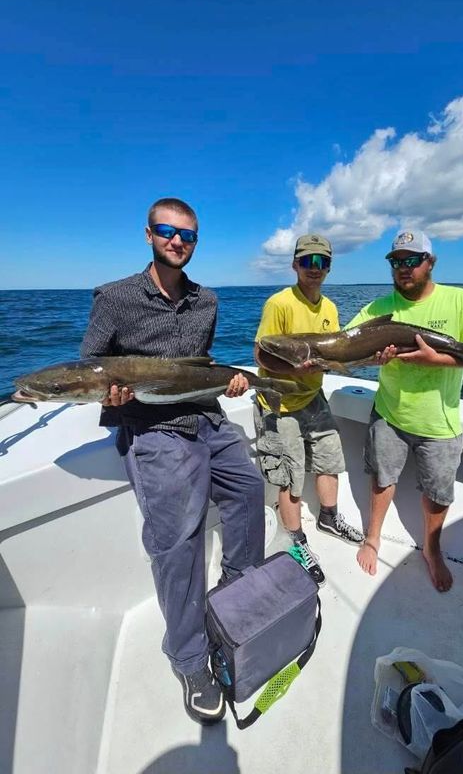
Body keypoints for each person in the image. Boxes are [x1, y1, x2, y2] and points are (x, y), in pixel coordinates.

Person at [81, 197, 265, 724]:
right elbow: (91, 366)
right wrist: (108, 396)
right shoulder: (114, 298)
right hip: (152, 427)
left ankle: (234, 594)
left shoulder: (206, 301)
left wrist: (229, 384)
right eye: (168, 231)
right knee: (178, 538)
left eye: (188, 235)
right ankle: (188, 658)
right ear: (149, 234)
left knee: (249, 491)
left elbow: (202, 367)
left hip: (206, 416)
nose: (178, 241)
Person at [347, 229, 463, 592]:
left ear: (430, 262)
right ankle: (373, 537)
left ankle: (432, 549)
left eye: (412, 261)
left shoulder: (460, 301)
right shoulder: (378, 310)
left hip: (440, 421)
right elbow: (348, 347)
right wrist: (372, 357)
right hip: (389, 413)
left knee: (437, 491)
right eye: (397, 262)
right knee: (382, 477)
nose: (404, 268)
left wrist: (439, 361)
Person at [253, 234, 364, 586]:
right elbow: (262, 354)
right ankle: (294, 540)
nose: (314, 269)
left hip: (313, 397)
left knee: (330, 457)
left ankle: (328, 516)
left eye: (321, 262)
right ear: (295, 264)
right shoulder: (279, 304)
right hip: (279, 400)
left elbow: (336, 354)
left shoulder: (330, 308)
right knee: (291, 474)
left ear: (329, 267)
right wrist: (294, 370)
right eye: (307, 261)